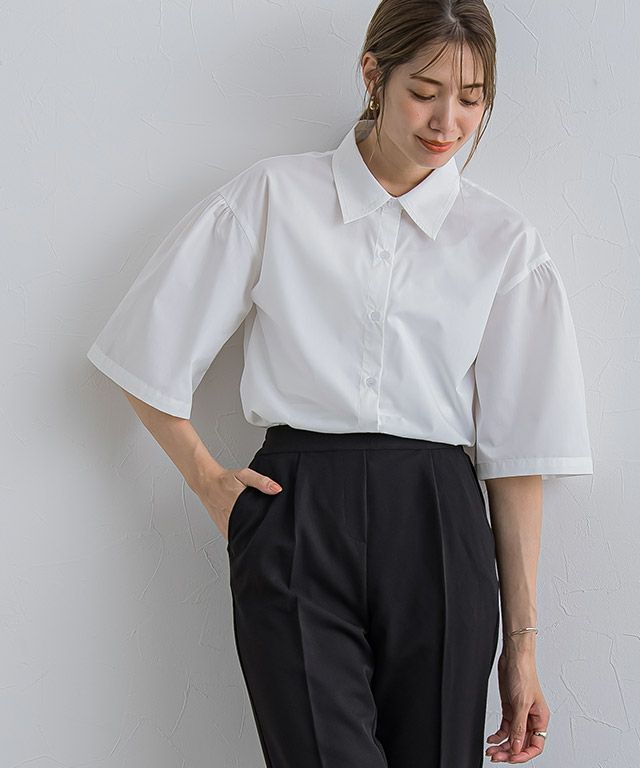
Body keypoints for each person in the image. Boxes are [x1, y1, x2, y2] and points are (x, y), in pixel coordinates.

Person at [86, 1, 593, 765]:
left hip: (439, 520)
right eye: (424, 91)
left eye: (472, 98)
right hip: (296, 511)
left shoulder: (503, 241)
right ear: (372, 75)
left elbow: (519, 456)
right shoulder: (274, 196)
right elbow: (144, 347)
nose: (447, 122)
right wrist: (208, 482)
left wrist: (521, 647)